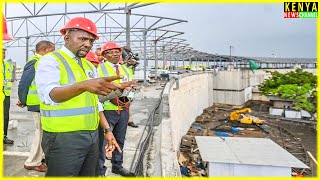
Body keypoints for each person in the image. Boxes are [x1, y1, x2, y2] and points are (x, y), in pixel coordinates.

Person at [35, 17, 134, 176]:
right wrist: (83, 85)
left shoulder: (88, 65)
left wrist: (117, 91)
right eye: (82, 39)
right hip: (63, 137)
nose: (88, 44)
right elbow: (50, 95)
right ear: (67, 38)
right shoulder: (51, 60)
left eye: (91, 41)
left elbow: (95, 102)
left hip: (91, 135)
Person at [97, 42, 135, 177]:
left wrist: (129, 100)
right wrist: (112, 97)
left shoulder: (126, 69)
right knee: (103, 141)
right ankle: (100, 170)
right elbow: (99, 90)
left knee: (120, 138)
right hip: (107, 110)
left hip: (123, 109)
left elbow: (132, 86)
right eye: (111, 52)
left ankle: (117, 165)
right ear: (105, 55)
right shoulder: (99, 69)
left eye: (117, 51)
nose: (115, 54)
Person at [17, 40, 55, 172]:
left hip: (42, 102)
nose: (53, 53)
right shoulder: (34, 62)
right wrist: (23, 100)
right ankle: (32, 161)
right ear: (45, 50)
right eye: (52, 50)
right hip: (37, 103)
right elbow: (24, 83)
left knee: (44, 131)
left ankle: (40, 156)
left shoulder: (40, 62)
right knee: (40, 132)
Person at [2, 14, 14, 144]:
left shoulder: (6, 65)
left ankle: (3, 136)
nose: (3, 54)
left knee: (5, 117)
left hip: (6, 95)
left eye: (4, 52)